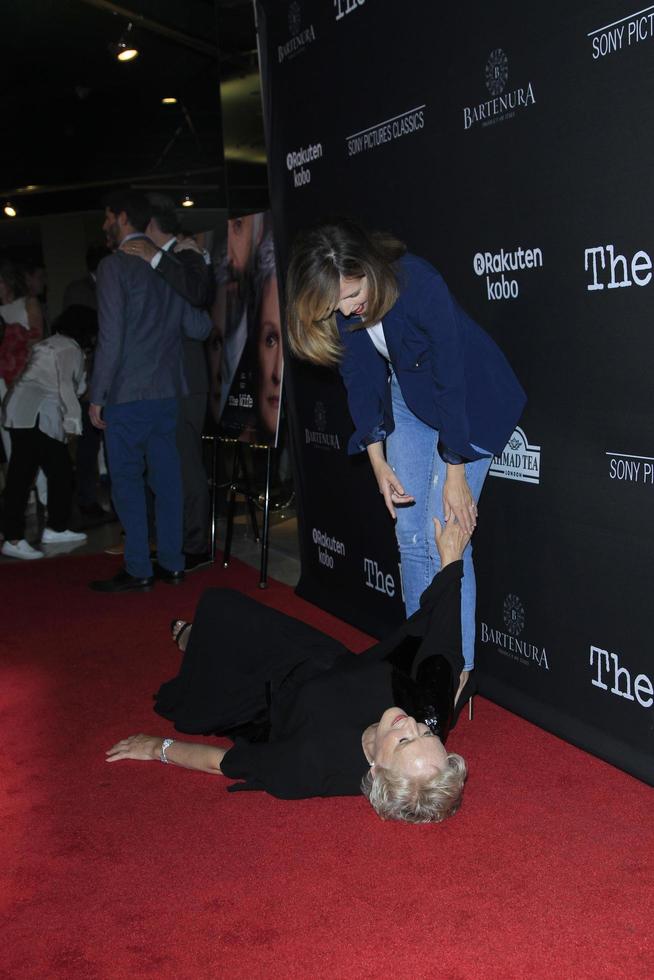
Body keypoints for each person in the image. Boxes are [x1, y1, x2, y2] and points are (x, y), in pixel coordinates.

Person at [107, 518, 471, 824]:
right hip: (326, 662)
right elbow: (446, 648)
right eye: (424, 732)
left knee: (213, 621)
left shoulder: (309, 766)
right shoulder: (428, 714)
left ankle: (196, 644)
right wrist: (452, 560)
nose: (410, 723)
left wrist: (157, 747)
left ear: (375, 771)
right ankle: (199, 640)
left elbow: (224, 763)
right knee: (221, 604)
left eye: (405, 741)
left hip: (271, 698)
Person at [285, 218, 526, 672]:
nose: (350, 309)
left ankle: (455, 674)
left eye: (355, 295)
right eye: (336, 304)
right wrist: (376, 457)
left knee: (447, 533)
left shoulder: (419, 283)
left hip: (472, 396)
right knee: (411, 535)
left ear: (369, 268)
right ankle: (422, 663)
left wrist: (456, 467)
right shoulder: (340, 305)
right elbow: (359, 376)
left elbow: (452, 380)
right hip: (409, 392)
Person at [88, 191, 212, 593]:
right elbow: (199, 328)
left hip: (126, 394)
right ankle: (173, 563)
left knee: (126, 481)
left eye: (108, 216)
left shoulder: (113, 267)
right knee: (168, 480)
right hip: (167, 393)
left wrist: (97, 394)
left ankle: (139, 568)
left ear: (123, 218)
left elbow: (111, 336)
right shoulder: (167, 266)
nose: (105, 222)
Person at [1, 307, 88, 559]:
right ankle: (15, 537)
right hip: (36, 415)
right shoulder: (69, 348)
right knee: (30, 474)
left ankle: (52, 528)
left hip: (24, 412)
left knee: (50, 471)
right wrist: (73, 424)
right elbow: (68, 387)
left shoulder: (51, 343)